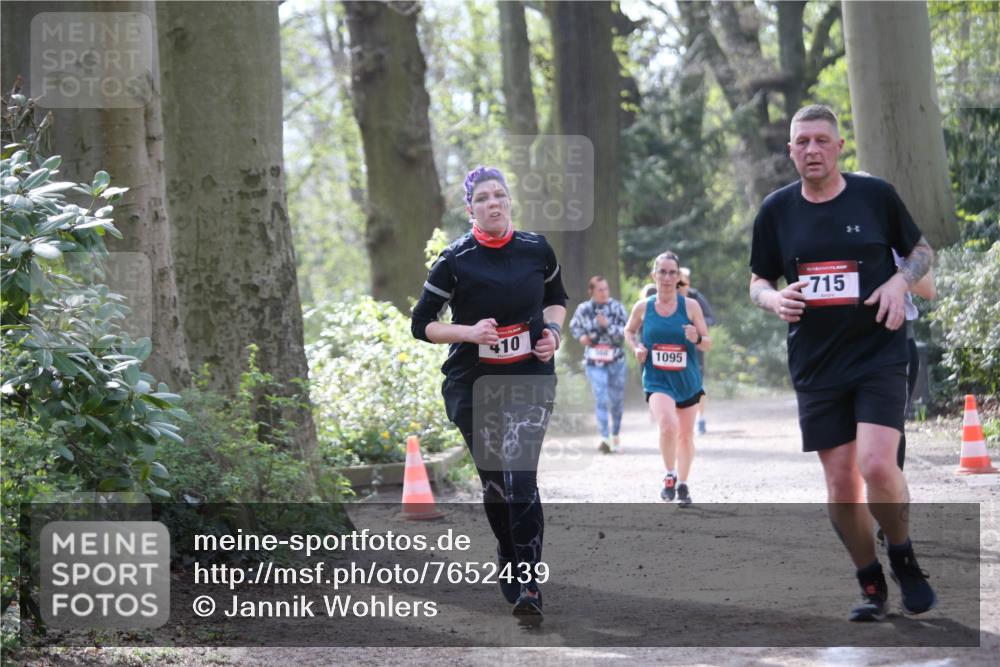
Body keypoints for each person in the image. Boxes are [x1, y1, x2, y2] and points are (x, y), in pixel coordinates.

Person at [749, 104, 937, 622]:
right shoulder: (776, 211)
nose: (811, 150)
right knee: (840, 487)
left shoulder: (875, 196)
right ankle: (870, 580)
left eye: (821, 141)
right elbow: (759, 280)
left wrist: (900, 281)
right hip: (816, 363)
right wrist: (773, 300)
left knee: (877, 463)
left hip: (879, 351)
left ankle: (903, 556)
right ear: (790, 151)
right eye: (801, 142)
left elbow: (921, 251)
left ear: (839, 147)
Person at [411, 166, 567, 623]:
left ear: (509, 201)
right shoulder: (455, 259)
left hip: (530, 380)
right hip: (474, 385)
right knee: (497, 486)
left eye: (500, 195)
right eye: (483, 198)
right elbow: (422, 324)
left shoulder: (537, 248)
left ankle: (529, 582)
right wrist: (470, 332)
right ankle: (508, 549)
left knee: (521, 480)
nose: (493, 203)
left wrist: (553, 333)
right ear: (470, 209)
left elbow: (558, 296)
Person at [625, 251, 711, 505]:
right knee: (668, 425)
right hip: (657, 379)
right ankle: (669, 475)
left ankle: (683, 484)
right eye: (662, 271)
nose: (667, 277)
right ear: (654, 275)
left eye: (672, 272)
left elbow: (707, 344)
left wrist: (695, 338)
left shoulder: (690, 306)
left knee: (685, 436)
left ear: (678, 278)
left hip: (687, 380)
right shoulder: (643, 307)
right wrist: (637, 348)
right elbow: (629, 331)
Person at [569, 275, 629, 453]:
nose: (604, 292)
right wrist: (581, 337)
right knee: (601, 397)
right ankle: (605, 438)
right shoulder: (584, 309)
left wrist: (607, 325)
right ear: (591, 291)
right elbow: (574, 326)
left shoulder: (617, 307)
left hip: (616, 360)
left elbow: (627, 332)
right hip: (594, 360)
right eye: (600, 289)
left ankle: (615, 435)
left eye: (606, 289)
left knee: (616, 401)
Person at [677, 267, 716, 435]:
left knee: (697, 384)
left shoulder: (695, 297)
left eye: (684, 282)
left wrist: (695, 324)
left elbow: (711, 318)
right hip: (674, 348)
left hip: (694, 348)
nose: (681, 285)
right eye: (679, 282)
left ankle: (700, 418)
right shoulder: (667, 298)